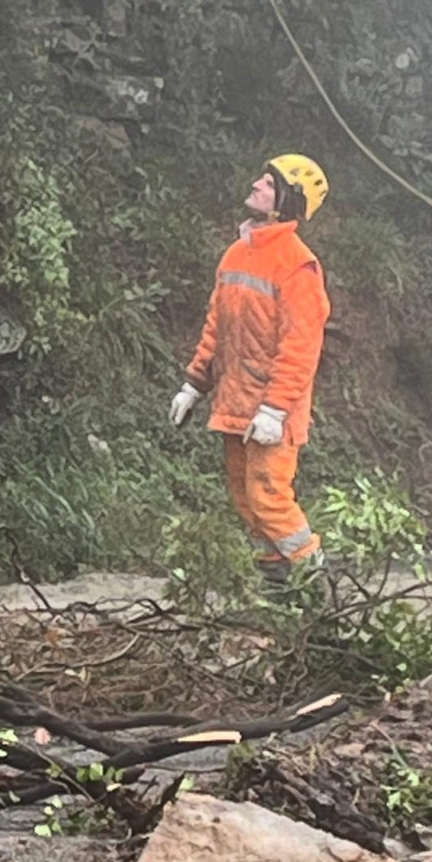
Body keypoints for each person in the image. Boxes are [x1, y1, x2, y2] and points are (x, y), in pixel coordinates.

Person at [170, 155, 330, 585]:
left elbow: (301, 347)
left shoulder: (298, 265)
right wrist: (193, 384)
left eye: (268, 181)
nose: (257, 184)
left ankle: (317, 578)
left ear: (287, 201)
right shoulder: (237, 253)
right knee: (245, 499)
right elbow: (216, 328)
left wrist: (275, 409)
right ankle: (276, 583)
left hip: (273, 409)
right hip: (236, 401)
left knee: (270, 497)